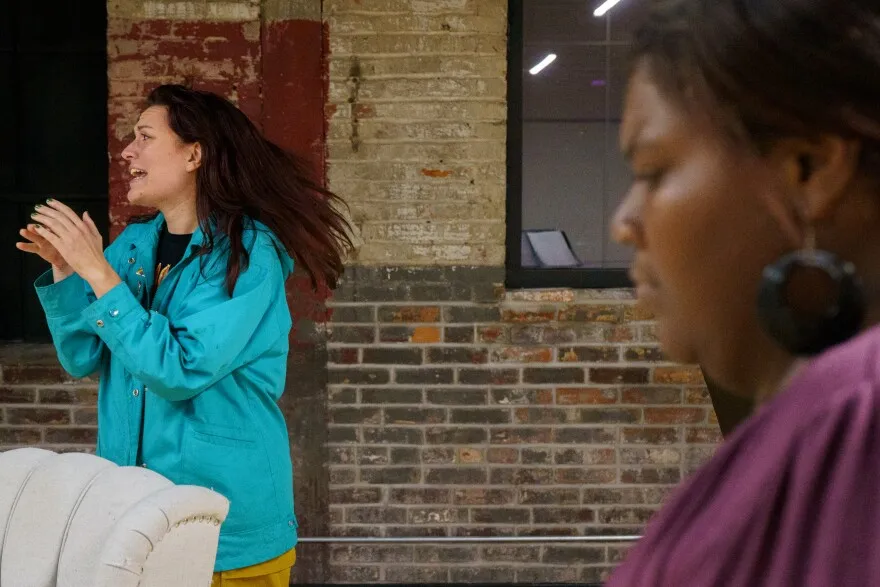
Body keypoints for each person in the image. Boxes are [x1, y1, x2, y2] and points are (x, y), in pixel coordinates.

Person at [16, 84, 352, 586]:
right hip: (134, 516)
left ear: (194, 154)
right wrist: (68, 270)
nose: (127, 151)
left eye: (145, 137)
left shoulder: (247, 255)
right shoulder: (134, 245)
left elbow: (177, 368)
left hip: (224, 527)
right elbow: (85, 355)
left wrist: (99, 275)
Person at [606, 0, 880, 585]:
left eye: (654, 172)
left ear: (809, 168)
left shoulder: (856, 420)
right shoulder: (815, 414)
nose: (625, 222)